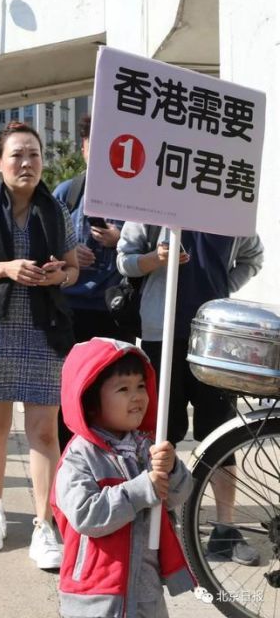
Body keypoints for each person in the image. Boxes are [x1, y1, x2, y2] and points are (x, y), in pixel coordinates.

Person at [0, 121, 79, 569]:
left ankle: (44, 525)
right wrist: (6, 268)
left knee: (45, 430)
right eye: (18, 155)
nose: (26, 163)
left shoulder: (58, 213)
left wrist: (58, 274)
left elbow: (74, 270)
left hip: (44, 326)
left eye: (34, 155)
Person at [117, 225, 264, 565]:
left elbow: (253, 257)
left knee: (221, 431)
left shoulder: (228, 206)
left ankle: (225, 530)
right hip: (160, 331)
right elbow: (124, 261)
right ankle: (158, 520)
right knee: (159, 433)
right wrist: (156, 259)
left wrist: (223, 287)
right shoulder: (155, 203)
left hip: (215, 333)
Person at [52, 337, 195, 618]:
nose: (137, 396)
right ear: (90, 400)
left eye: (141, 386)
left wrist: (172, 469)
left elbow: (177, 497)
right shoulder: (79, 456)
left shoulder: (147, 445)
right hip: (98, 592)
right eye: (123, 389)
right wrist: (142, 489)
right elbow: (87, 515)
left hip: (146, 587)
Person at [53, 115, 129, 450]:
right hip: (70, 311)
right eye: (92, 145)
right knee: (70, 394)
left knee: (113, 395)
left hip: (115, 311)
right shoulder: (68, 193)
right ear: (83, 148)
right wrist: (67, 253)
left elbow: (151, 247)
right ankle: (69, 468)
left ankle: (110, 463)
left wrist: (120, 238)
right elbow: (42, 246)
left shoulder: (131, 195)